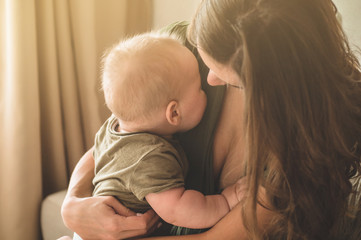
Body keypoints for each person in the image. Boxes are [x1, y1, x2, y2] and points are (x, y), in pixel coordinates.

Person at [62, 0, 361, 239]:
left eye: (231, 78)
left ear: (274, 84)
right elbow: (120, 135)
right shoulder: (174, 52)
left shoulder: (312, 140)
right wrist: (72, 204)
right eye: (203, 58)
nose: (209, 78)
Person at [71, 31, 242, 240]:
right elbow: (179, 209)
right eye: (199, 88)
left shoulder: (113, 127)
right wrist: (226, 200)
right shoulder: (150, 157)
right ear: (174, 113)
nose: (208, 84)